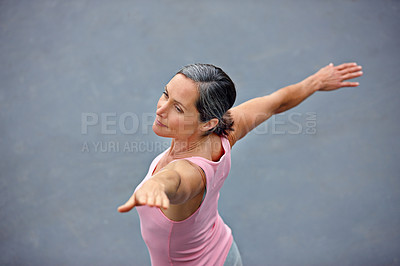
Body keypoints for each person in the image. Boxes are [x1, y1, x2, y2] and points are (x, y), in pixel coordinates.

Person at [118, 62, 363, 265]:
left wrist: (156, 186)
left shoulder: (188, 172)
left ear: (207, 123)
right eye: (166, 94)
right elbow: (276, 102)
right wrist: (316, 82)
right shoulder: (226, 131)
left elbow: (174, 179)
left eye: (178, 108)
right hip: (224, 251)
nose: (161, 109)